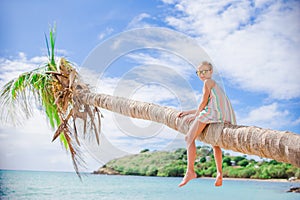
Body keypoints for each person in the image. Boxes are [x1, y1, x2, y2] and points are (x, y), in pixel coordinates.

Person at [177, 61, 236, 187]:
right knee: (215, 144)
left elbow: (204, 101)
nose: (202, 74)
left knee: (188, 138)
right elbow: (209, 103)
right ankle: (219, 173)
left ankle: (190, 171)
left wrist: (196, 115)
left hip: (211, 113)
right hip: (220, 115)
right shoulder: (215, 85)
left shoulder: (207, 82)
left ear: (211, 72)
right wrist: (189, 112)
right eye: (199, 72)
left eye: (205, 71)